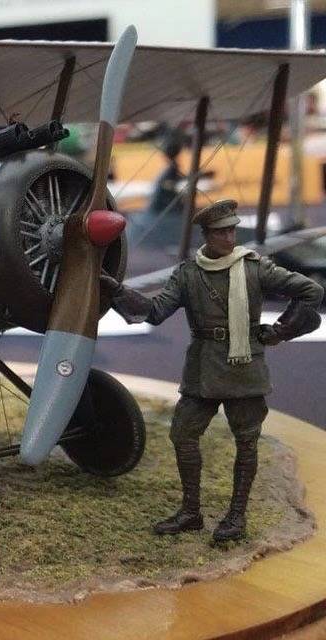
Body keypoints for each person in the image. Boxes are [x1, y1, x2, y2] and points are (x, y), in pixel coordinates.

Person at [101, 199, 323, 542]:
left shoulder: (254, 268)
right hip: (203, 367)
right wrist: (116, 290)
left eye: (233, 229)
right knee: (183, 435)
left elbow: (311, 291)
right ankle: (191, 511)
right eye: (222, 232)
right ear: (207, 234)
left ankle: (236, 517)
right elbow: (156, 311)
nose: (231, 237)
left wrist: (281, 331)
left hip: (245, 365)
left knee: (247, 443)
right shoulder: (189, 273)